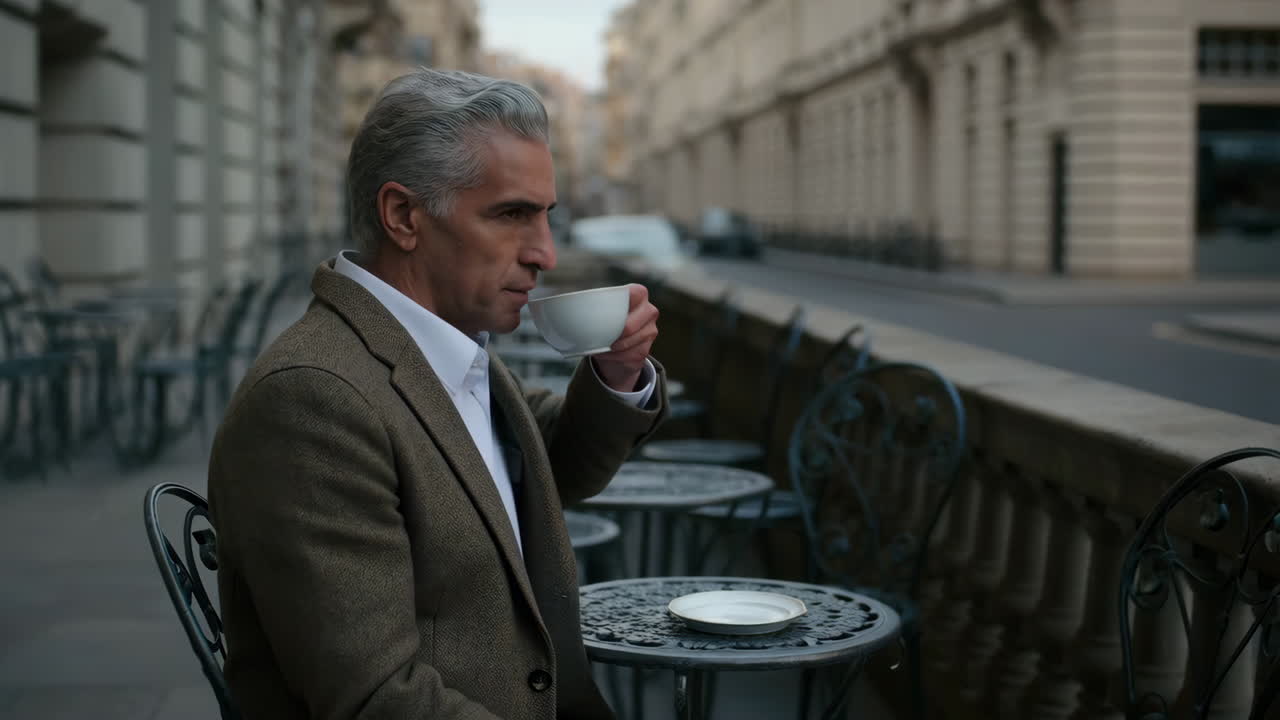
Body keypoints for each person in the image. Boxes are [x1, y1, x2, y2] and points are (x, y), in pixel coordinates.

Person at [207, 68, 669, 720]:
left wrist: (617, 375)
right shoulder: (312, 400)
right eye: (511, 215)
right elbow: (376, 700)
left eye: (546, 216)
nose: (545, 253)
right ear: (403, 216)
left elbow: (543, 468)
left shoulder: (437, 345)